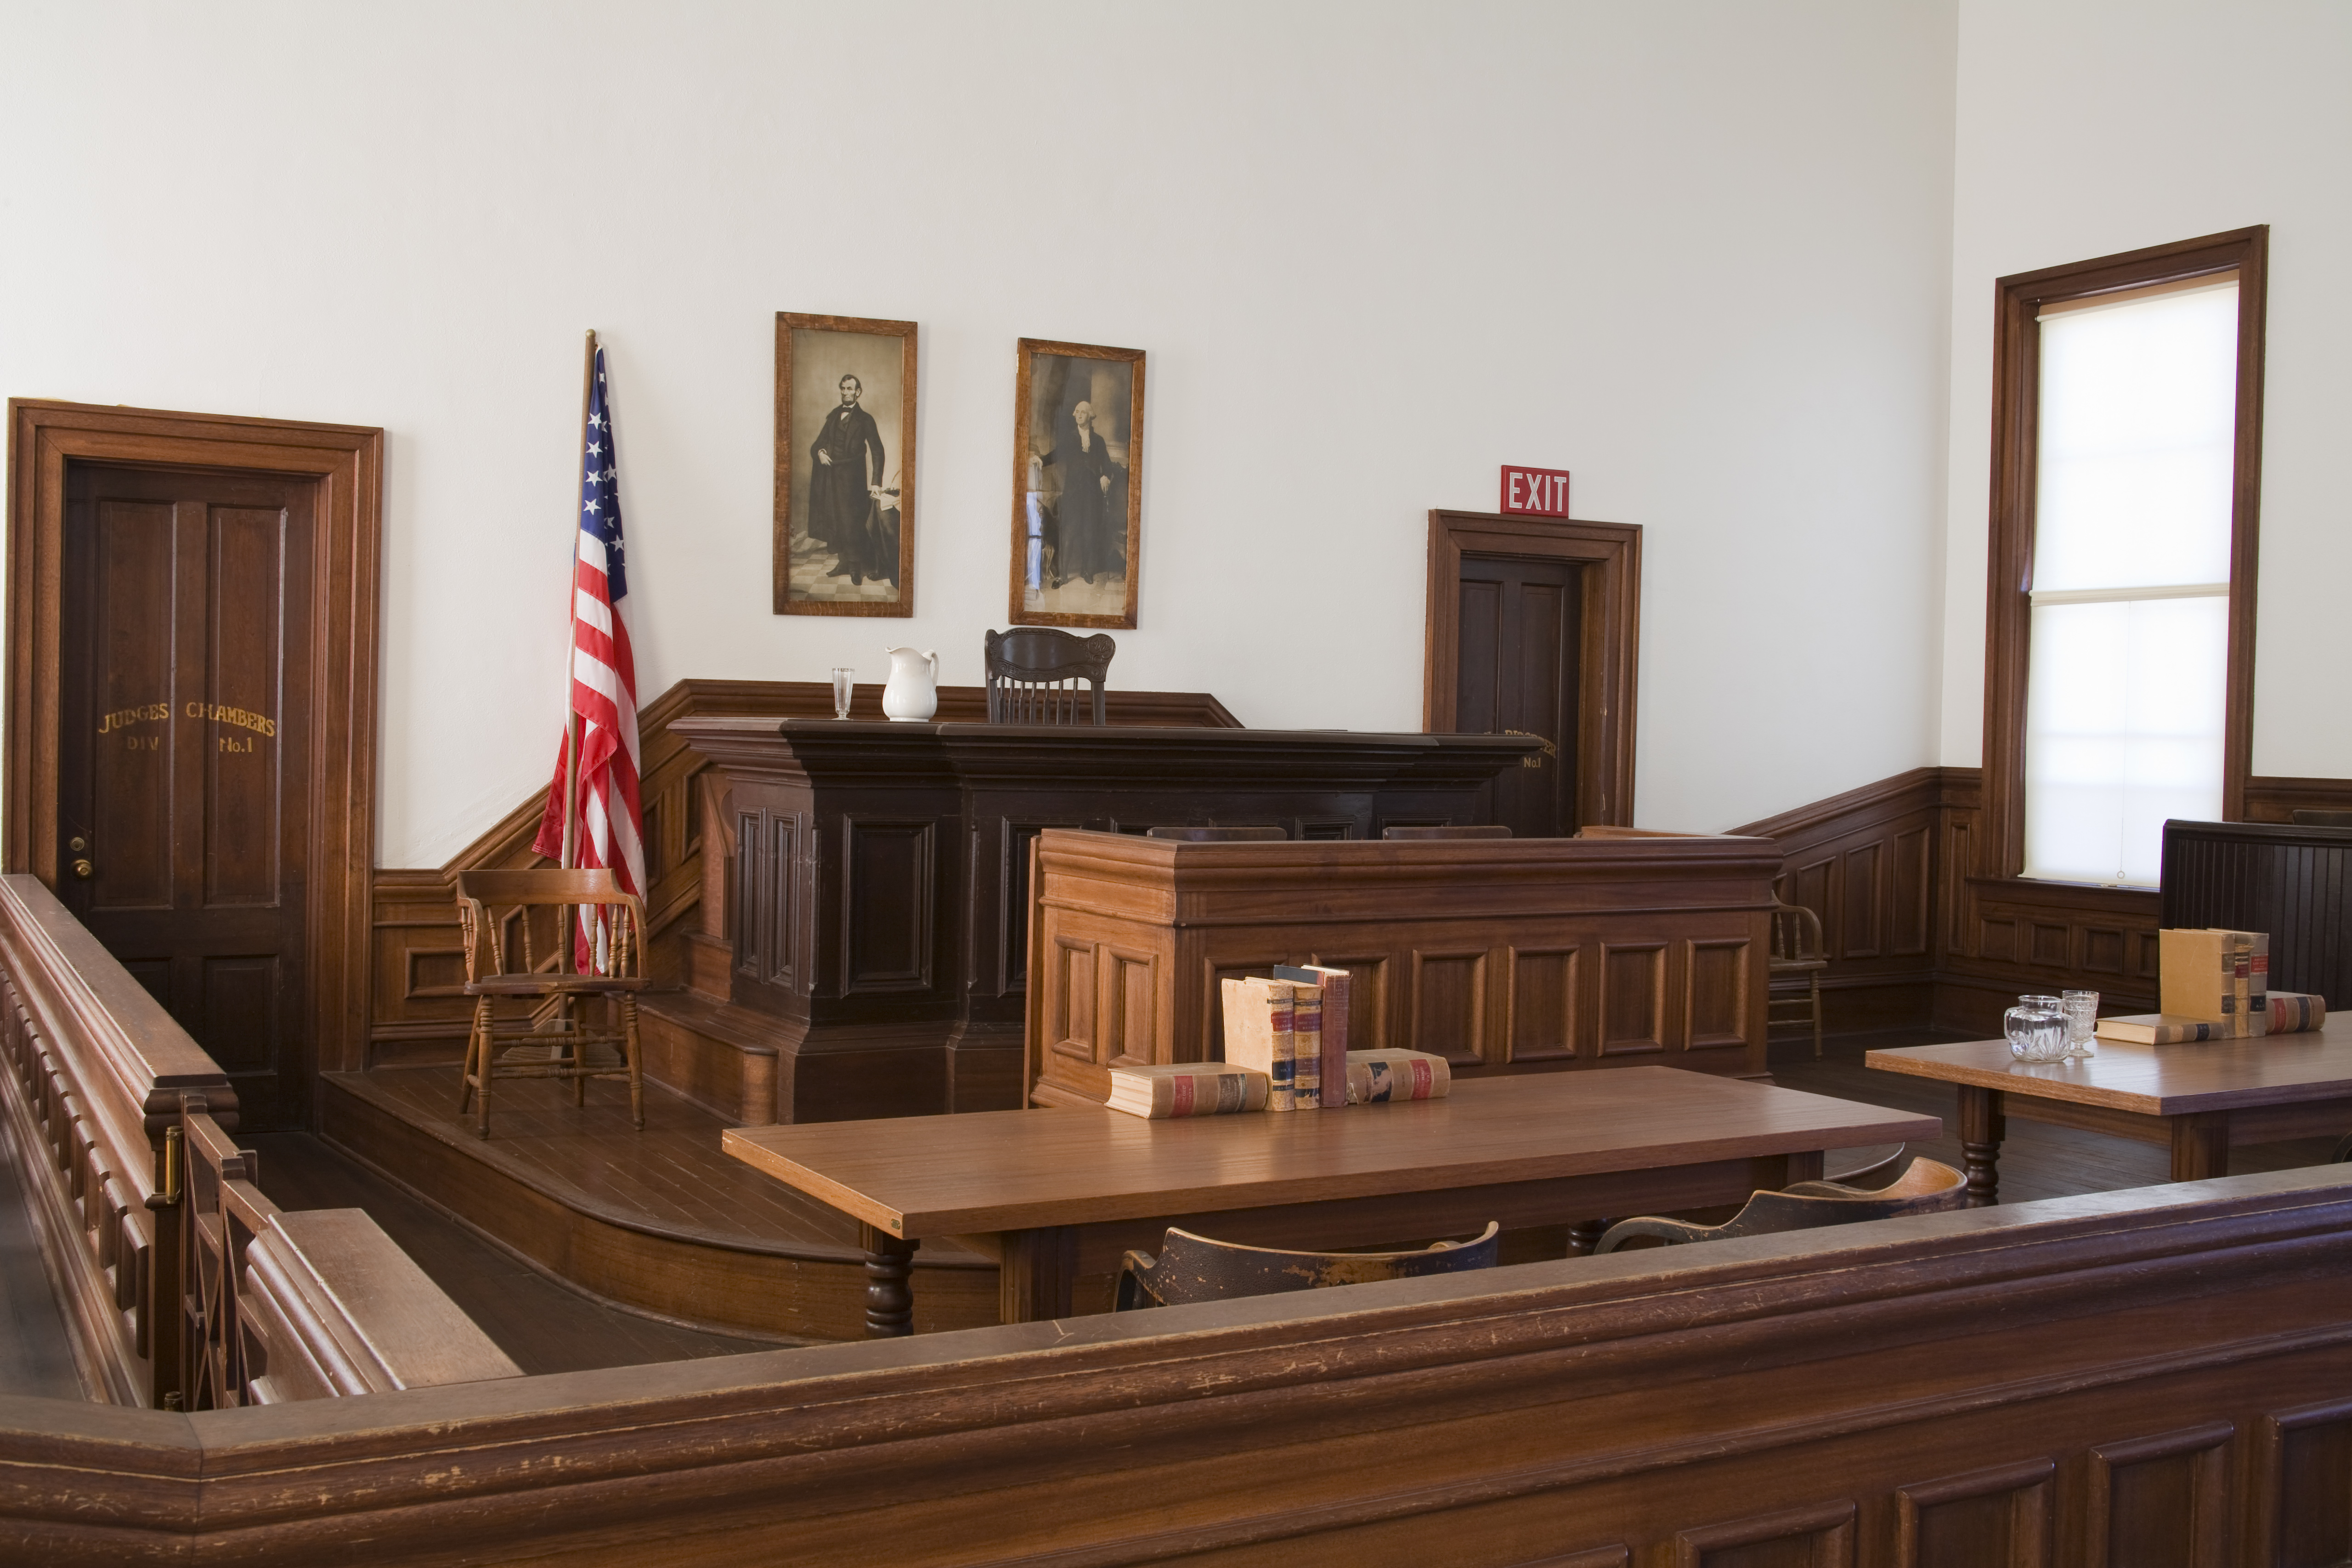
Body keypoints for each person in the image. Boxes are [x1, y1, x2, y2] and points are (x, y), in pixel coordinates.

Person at [808, 374, 885, 584]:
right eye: (843, 388)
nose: (845, 393)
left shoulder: (865, 419)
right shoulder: (834, 416)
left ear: (858, 393)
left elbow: (878, 451)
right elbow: (817, 444)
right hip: (831, 478)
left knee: (852, 522)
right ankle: (843, 562)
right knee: (836, 520)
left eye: (850, 389)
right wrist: (821, 453)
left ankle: (854, 567)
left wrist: (876, 482)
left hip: (853, 480)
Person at [1043, 399, 1123, 587]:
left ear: (1090, 416)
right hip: (1072, 495)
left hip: (1092, 496)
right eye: (1077, 412)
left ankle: (1087, 571)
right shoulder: (1070, 439)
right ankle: (1062, 576)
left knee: (1089, 534)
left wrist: (1106, 476)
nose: (1078, 415)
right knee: (1069, 534)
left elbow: (1108, 465)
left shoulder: (1099, 441)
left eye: (1083, 413)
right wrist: (1040, 460)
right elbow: (1054, 455)